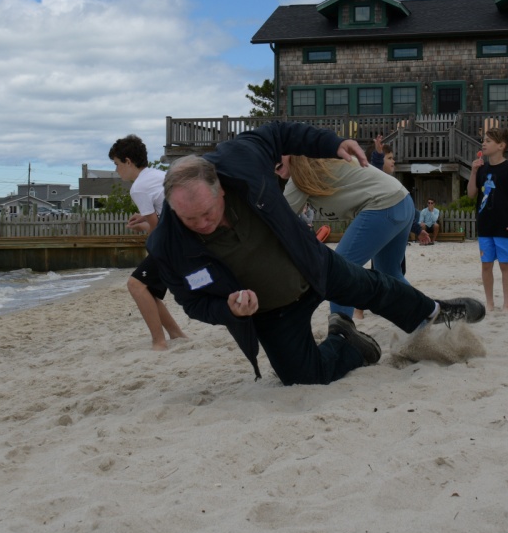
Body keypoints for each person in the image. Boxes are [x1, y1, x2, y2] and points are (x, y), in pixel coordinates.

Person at [146, 121, 485, 386]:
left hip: (311, 265)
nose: (203, 224)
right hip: (272, 312)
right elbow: (192, 302)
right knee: (303, 377)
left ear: (219, 188)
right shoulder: (167, 245)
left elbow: (280, 133)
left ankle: (437, 312)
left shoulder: (240, 159)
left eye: (207, 213)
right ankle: (350, 342)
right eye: (190, 219)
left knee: (374, 288)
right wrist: (228, 309)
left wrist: (330, 143)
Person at [279, 154, 414, 321]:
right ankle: (428, 315)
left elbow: (278, 220)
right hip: (403, 200)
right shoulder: (318, 162)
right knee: (390, 272)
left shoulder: (301, 175)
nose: (273, 160)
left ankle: (340, 334)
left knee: (339, 274)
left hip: (383, 205)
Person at [109, 134, 187, 351]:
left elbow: (156, 229)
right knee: (147, 289)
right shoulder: (156, 175)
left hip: (174, 242)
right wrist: (144, 221)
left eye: (116, 164)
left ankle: (159, 342)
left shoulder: (139, 187)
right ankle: (176, 334)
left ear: (128, 161)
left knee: (135, 285)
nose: (116, 170)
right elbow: (162, 218)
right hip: (184, 235)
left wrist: (148, 235)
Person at [469, 126, 508, 313]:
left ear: (501, 145)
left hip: (504, 224)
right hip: (485, 224)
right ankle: (490, 303)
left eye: (488, 141)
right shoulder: (481, 168)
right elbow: (471, 194)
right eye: (483, 140)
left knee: (504, 264)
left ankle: (507, 304)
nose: (483, 144)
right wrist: (473, 172)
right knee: (486, 265)